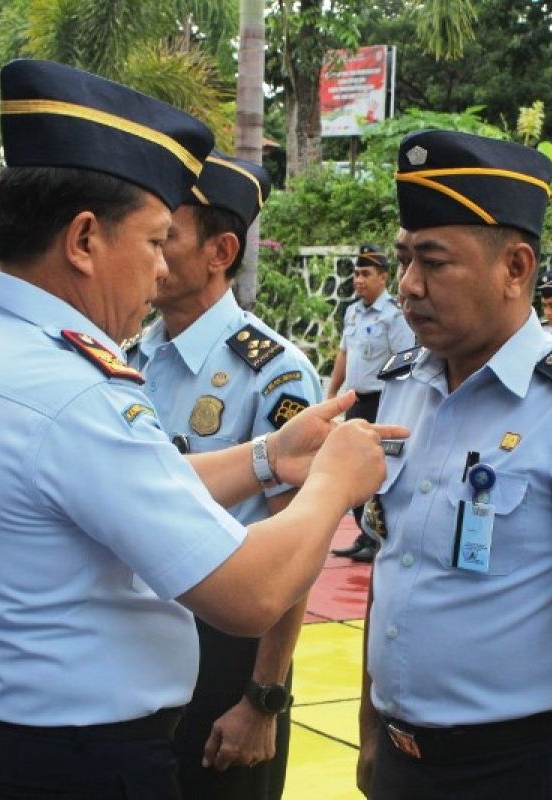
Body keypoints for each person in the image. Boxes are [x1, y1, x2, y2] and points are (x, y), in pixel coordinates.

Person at [0, 59, 406, 800]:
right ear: (83, 240)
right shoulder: (73, 390)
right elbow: (248, 593)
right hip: (71, 770)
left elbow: (126, 485)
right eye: (150, 242)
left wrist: (271, 457)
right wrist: (335, 480)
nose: (155, 272)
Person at [356, 130, 552, 800]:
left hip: (514, 769)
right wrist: (370, 732)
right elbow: (389, 563)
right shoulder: (403, 384)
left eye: (434, 263)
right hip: (401, 759)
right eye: (406, 259)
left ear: (516, 268)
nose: (408, 286)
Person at [131, 150, 320, 800]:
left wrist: (262, 699)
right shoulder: (128, 354)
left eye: (168, 237)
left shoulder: (275, 373)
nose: (153, 255)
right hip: (131, 643)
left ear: (221, 251)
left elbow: (297, 546)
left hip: (227, 651)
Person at [327, 239, 414, 563]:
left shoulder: (394, 316)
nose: (358, 280)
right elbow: (344, 354)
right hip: (356, 401)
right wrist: (332, 393)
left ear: (383, 277)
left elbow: (405, 361)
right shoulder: (351, 312)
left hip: (382, 402)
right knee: (353, 470)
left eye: (366, 273)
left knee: (380, 474)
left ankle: (378, 538)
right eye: (356, 274)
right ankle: (365, 534)